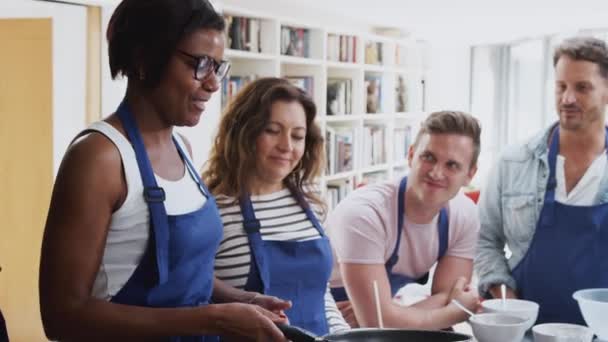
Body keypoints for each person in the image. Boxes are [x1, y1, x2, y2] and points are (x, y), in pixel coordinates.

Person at [38, 1, 290, 341]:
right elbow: (62, 316)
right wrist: (212, 320)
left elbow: (174, 270)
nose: (214, 84)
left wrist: (237, 298)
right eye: (200, 65)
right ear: (145, 59)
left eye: (218, 66)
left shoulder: (182, 149)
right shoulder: (100, 158)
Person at [476, 36, 608, 325]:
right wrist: (504, 298)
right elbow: (485, 239)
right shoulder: (513, 162)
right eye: (561, 86)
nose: (567, 98)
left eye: (582, 87)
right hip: (524, 331)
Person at [203, 77, 350, 336]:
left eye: (298, 136)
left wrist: (343, 336)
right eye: (272, 130)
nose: (286, 146)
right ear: (245, 132)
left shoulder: (313, 207)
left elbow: (319, 292)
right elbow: (197, 297)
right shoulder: (214, 210)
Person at [326, 110, 482, 329]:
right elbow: (377, 323)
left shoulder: (464, 214)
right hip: (326, 323)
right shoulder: (365, 213)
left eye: (452, 165)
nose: (436, 173)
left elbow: (449, 295)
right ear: (411, 155)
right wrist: (455, 313)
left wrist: (391, 314)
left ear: (470, 175)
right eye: (429, 157)